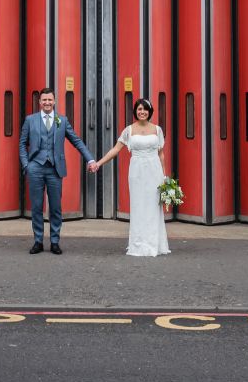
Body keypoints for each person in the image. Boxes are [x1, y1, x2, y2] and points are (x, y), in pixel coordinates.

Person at [18, 87, 98, 256]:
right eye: (44, 100)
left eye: (50, 100)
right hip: (35, 168)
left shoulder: (62, 120)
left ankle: (55, 241)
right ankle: (38, 241)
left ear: (54, 102)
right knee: (37, 206)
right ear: (39, 102)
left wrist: (90, 159)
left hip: (55, 169)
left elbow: (76, 141)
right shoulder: (30, 120)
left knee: (55, 207)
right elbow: (22, 144)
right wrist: (27, 165)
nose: (47, 103)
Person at [93, 97, 171, 257]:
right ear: (135, 111)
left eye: (145, 109)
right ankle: (138, 244)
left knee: (153, 207)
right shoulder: (128, 130)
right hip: (136, 171)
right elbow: (115, 150)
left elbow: (161, 154)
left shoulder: (157, 130)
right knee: (138, 206)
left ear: (150, 112)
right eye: (139, 109)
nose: (142, 112)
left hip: (154, 170)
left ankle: (153, 244)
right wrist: (99, 163)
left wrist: (165, 176)